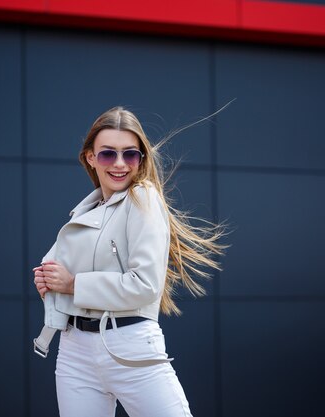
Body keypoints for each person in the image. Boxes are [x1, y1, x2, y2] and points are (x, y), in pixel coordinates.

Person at [32, 106, 226, 417]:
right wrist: (50, 281)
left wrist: (72, 284)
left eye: (130, 155)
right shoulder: (87, 210)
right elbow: (69, 278)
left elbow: (145, 285)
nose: (120, 164)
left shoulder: (143, 198)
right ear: (90, 158)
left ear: (141, 159)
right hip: (74, 350)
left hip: (130, 346)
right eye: (108, 154)